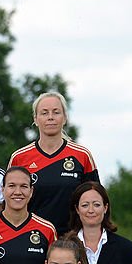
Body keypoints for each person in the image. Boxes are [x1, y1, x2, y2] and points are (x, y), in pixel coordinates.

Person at [9, 92, 99, 233]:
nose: (50, 117)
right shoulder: (20, 158)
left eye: (56, 112)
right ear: (36, 119)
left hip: (72, 239)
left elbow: (95, 201)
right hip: (33, 239)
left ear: (65, 117)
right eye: (44, 113)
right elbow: (9, 203)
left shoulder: (82, 156)